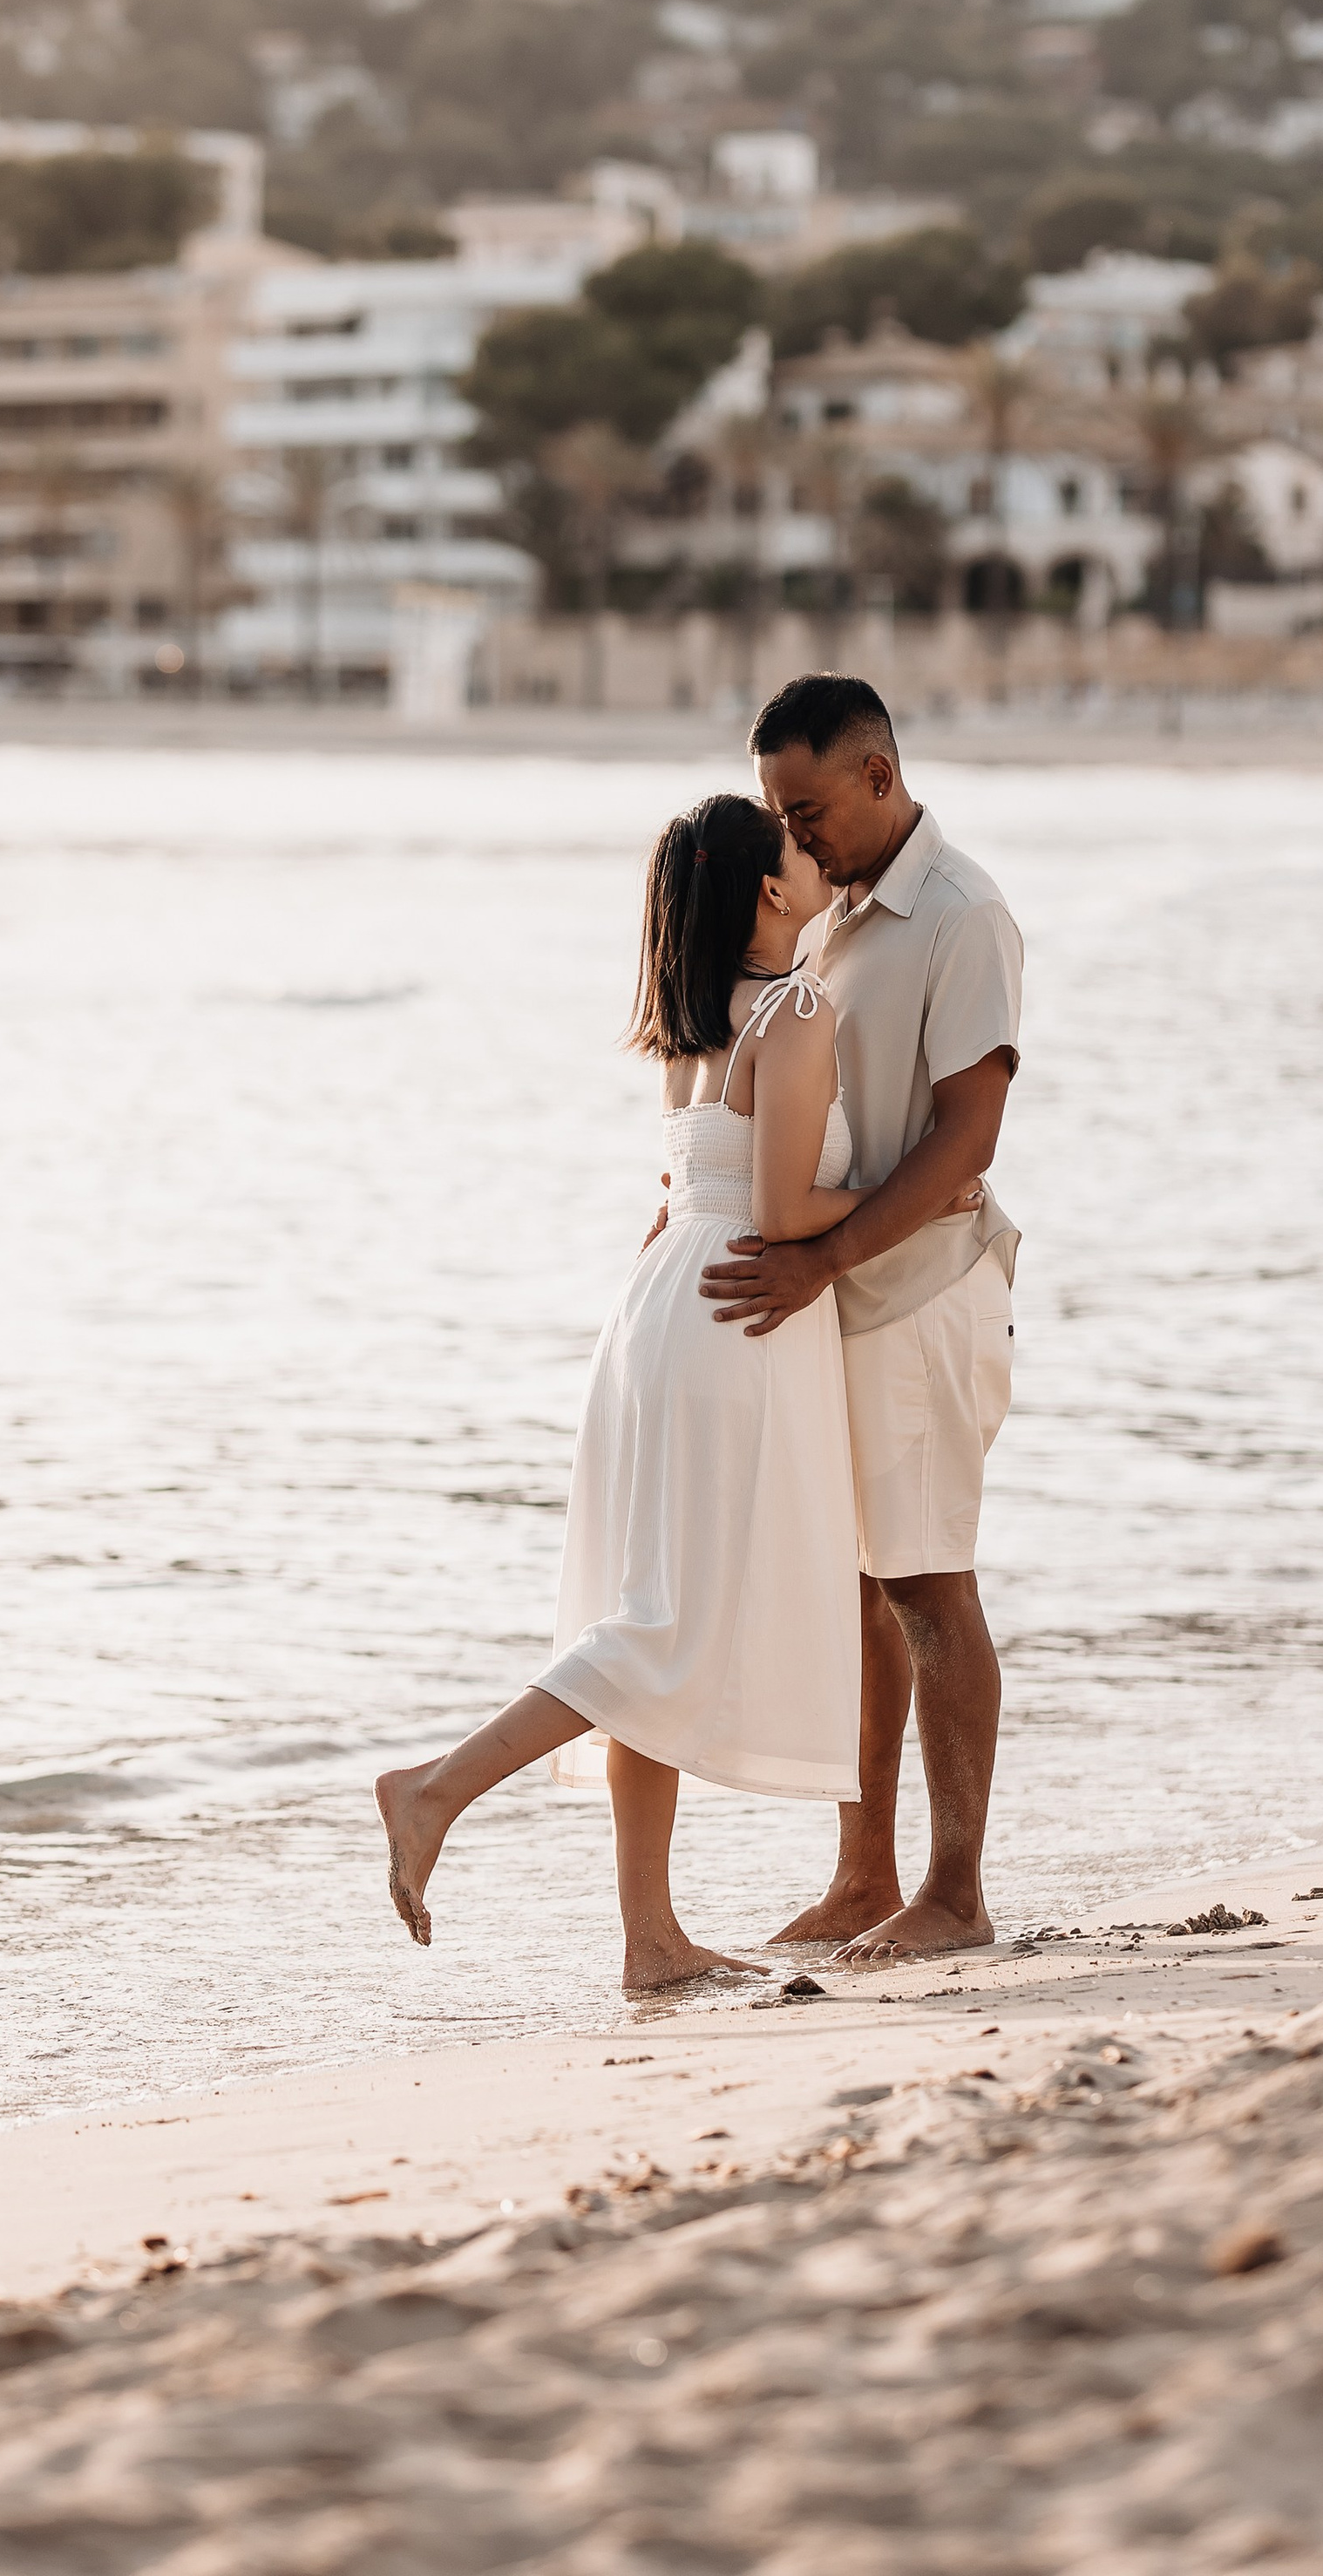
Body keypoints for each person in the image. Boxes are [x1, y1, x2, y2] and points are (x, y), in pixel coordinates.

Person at [377, 790, 924, 1992]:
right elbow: (782, 1210)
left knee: (650, 1610)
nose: (814, 853)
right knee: (663, 1627)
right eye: (796, 846)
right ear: (769, 889)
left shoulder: (691, 1022)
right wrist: (919, 1195)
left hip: (660, 1312)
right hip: (736, 1319)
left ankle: (651, 1940)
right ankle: (435, 1790)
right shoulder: (796, 1010)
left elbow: (690, 1191)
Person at [700, 675, 1023, 1966]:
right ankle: (863, 1873)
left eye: (809, 811)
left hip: (924, 1291)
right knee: (861, 1593)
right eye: (780, 814)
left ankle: (956, 1892)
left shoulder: (962, 916)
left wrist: (823, 1254)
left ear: (879, 776)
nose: (794, 836)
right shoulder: (825, 910)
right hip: (833, 1302)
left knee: (929, 1584)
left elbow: (966, 1137)